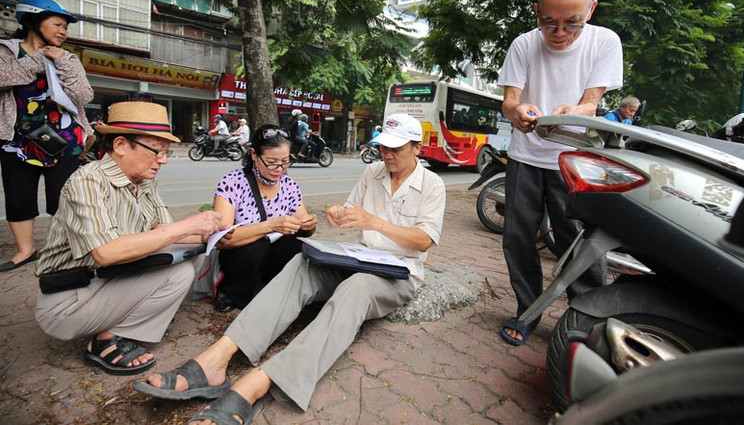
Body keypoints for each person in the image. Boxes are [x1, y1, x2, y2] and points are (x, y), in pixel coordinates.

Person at [134, 113, 446, 424]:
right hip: (358, 257)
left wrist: (374, 222)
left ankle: (261, 382)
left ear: (417, 148)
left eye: (397, 149)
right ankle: (216, 359)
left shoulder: (431, 185)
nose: (387, 155)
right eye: (383, 147)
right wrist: (338, 213)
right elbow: (350, 209)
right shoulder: (373, 172)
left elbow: (423, 241)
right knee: (303, 261)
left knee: (357, 287)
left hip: (396, 273)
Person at [34, 101, 228, 375]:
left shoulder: (145, 181)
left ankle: (121, 325)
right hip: (67, 300)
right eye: (157, 151)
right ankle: (106, 339)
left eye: (166, 151)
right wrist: (188, 226)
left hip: (105, 280)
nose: (163, 160)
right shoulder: (88, 181)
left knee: (192, 255)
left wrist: (212, 234)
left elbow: (163, 230)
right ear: (121, 145)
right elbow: (106, 253)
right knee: (179, 272)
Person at [497, 0, 623, 346]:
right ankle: (528, 310)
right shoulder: (523, 44)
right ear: (537, 11)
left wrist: (578, 112)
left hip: (576, 160)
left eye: (573, 23)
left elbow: (592, 102)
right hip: (526, 156)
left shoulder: (604, 42)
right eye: (550, 23)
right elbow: (509, 101)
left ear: (592, 10)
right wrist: (516, 113)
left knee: (579, 240)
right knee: (518, 236)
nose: (560, 33)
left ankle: (585, 318)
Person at [0, 0, 94, 272]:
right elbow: (4, 78)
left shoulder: (67, 57)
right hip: (17, 139)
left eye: (65, 27)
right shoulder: (6, 51)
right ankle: (26, 250)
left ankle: (58, 250)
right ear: (32, 21)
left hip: (65, 138)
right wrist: (38, 59)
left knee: (62, 197)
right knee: (18, 196)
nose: (63, 31)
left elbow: (83, 95)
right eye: (57, 24)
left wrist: (62, 62)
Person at [206, 124, 318, 313]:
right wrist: (270, 226)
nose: (279, 169)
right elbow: (222, 239)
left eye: (285, 161)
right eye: (272, 162)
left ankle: (277, 289)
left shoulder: (289, 185)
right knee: (256, 247)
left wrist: (309, 224)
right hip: (239, 257)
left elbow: (305, 228)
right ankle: (232, 293)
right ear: (253, 155)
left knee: (294, 245)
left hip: (272, 261)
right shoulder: (233, 182)